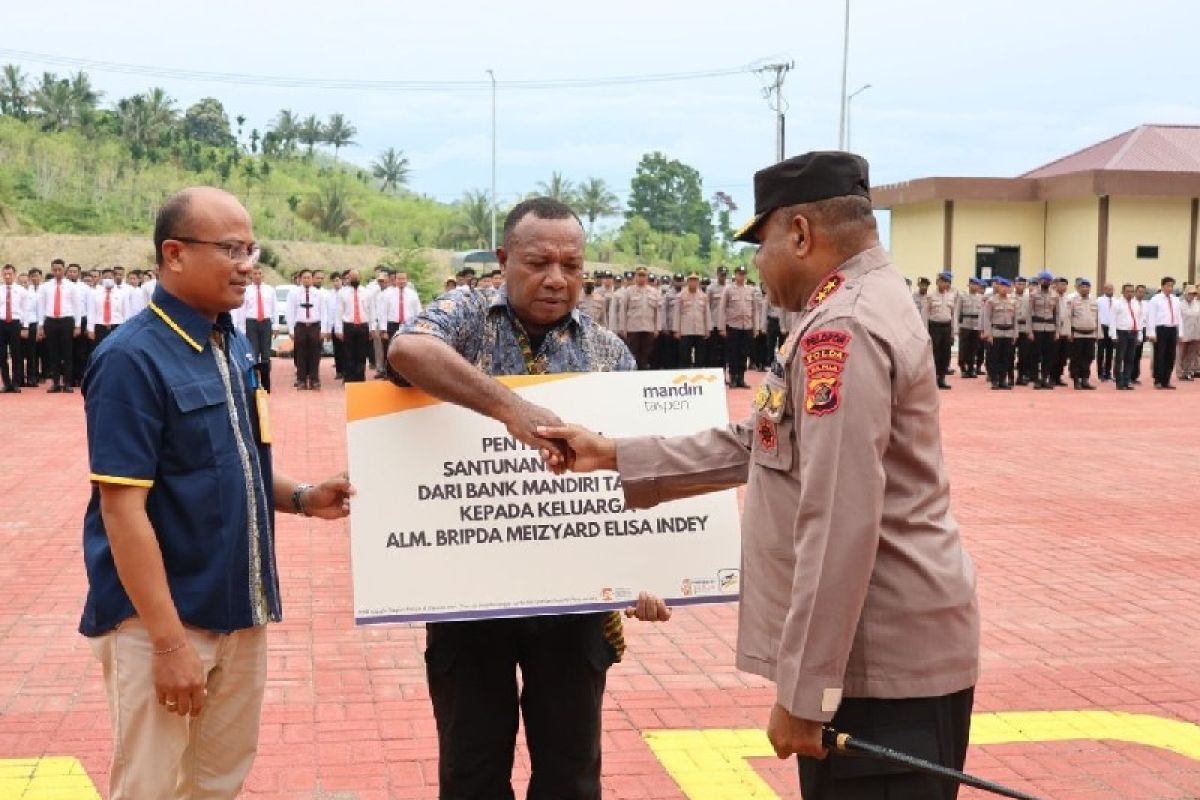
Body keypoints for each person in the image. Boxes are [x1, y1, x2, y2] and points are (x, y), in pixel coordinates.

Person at [540, 152, 979, 800]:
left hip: (876, 673)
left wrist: (807, 693)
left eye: (763, 241)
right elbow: (763, 443)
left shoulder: (844, 328)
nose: (756, 262)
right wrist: (611, 454)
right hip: (882, 659)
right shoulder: (857, 302)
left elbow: (839, 519)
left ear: (801, 234)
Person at [387, 197, 671, 800]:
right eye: (540, 262)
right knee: (471, 770)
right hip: (469, 592)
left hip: (572, 600)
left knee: (570, 771)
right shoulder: (466, 315)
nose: (557, 279)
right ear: (504, 260)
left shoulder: (606, 353)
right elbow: (407, 352)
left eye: (572, 264)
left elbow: (630, 468)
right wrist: (512, 409)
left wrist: (648, 572)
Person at [80, 187, 353, 800]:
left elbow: (237, 466)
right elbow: (122, 513)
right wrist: (169, 643)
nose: (248, 263)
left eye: (250, 247)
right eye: (231, 248)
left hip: (241, 612)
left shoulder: (230, 345)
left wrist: (305, 497)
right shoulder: (130, 359)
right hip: (166, 624)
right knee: (148, 786)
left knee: (215, 783)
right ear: (174, 254)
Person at [37, 258, 82, 393]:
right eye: (54, 270)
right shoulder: (45, 287)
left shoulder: (71, 286)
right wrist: (41, 325)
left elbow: (77, 306)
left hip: (66, 321)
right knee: (53, 353)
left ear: (64, 270)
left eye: (60, 270)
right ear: (52, 270)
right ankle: (55, 383)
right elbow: (41, 306)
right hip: (50, 321)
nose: (57, 272)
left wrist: (77, 325)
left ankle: (67, 382)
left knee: (67, 353)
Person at [288, 269, 331, 390]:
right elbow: (290, 312)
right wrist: (291, 330)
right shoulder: (294, 293)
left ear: (312, 279)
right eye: (304, 278)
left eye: (309, 277)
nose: (307, 280)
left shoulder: (319, 294)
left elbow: (324, 312)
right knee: (300, 353)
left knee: (315, 354)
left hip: (314, 326)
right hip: (300, 326)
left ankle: (314, 379)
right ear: (301, 279)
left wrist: (324, 329)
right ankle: (301, 380)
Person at [719, 265, 759, 388]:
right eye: (739, 274)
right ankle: (732, 378)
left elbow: (755, 310)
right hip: (733, 326)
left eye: (743, 274)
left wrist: (756, 327)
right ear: (735, 274)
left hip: (746, 326)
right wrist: (722, 327)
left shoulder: (751, 290)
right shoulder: (728, 289)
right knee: (732, 353)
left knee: (743, 353)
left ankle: (741, 378)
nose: (741, 276)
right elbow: (722, 308)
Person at [240, 267, 277, 392]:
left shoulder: (270, 290)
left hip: (266, 322)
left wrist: (275, 325)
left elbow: (274, 308)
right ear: (251, 275)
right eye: (255, 273)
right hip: (251, 322)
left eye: (259, 273)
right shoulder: (246, 290)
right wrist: (242, 328)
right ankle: (254, 384)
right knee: (253, 353)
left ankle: (266, 385)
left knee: (266, 354)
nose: (257, 276)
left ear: (263, 275)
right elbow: (242, 310)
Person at [334, 269, 374, 382]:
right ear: (348, 279)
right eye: (352, 277)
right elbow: (339, 312)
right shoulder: (342, 293)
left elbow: (372, 311)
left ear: (360, 278)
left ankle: (360, 378)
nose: (354, 279)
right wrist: (338, 329)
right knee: (348, 353)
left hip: (363, 326)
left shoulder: (367, 292)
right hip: (348, 326)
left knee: (361, 354)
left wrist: (372, 328)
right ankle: (349, 378)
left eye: (356, 277)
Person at [619, 266, 661, 369]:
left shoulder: (654, 292)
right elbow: (623, 310)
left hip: (648, 328)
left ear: (647, 277)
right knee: (633, 354)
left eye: (644, 275)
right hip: (633, 328)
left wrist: (657, 328)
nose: (641, 278)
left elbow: (657, 312)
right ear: (635, 277)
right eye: (639, 275)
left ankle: (642, 375)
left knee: (646, 354)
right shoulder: (628, 291)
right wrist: (622, 328)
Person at [980, 276, 1017, 389]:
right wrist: (988, 334)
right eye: (1002, 286)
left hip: (1008, 332)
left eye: (1007, 286)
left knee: (1007, 357)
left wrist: (1015, 334)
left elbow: (1015, 319)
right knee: (994, 357)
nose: (1004, 289)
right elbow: (987, 318)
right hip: (996, 332)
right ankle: (995, 380)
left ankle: (1003, 380)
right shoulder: (991, 301)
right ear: (998, 287)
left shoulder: (1012, 301)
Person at [1061, 278, 1099, 389]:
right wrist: (1068, 333)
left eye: (1087, 287)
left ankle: (1085, 380)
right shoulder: (1073, 300)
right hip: (1077, 334)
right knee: (1076, 358)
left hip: (1090, 334)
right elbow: (1068, 317)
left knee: (1088, 358)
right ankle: (1077, 380)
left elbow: (1097, 319)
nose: (1085, 289)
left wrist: (1098, 334)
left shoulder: (1093, 301)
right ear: (1078, 288)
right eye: (1083, 287)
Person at [1145, 276, 1181, 389]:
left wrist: (1180, 332)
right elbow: (1151, 317)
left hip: (1172, 328)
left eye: (1172, 286)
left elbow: (1179, 316)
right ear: (1162, 286)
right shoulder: (1155, 299)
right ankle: (1158, 380)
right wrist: (1152, 333)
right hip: (1160, 329)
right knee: (1160, 355)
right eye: (1168, 285)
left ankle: (1167, 380)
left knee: (1171, 356)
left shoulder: (1175, 299)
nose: (1170, 288)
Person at [923, 271, 956, 389]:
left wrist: (953, 331)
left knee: (946, 354)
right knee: (935, 354)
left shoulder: (951, 296)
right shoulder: (930, 296)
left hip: (946, 327)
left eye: (949, 282)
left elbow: (953, 315)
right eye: (945, 282)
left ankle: (942, 377)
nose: (947, 284)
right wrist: (925, 332)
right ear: (938, 282)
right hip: (934, 327)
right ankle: (933, 378)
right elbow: (925, 315)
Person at [1028, 271, 1060, 389]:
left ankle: (1044, 378)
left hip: (1050, 328)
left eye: (1047, 280)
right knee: (1035, 355)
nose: (1045, 282)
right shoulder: (1033, 294)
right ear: (1039, 281)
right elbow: (1029, 313)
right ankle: (1036, 379)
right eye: (1043, 280)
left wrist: (1057, 331)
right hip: (1037, 328)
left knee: (1048, 356)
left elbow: (1057, 314)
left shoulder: (1055, 295)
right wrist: (1029, 331)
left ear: (1050, 282)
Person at [673, 272, 710, 368]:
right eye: (691, 280)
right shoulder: (681, 296)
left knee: (700, 357)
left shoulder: (703, 296)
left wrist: (708, 329)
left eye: (695, 280)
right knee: (684, 357)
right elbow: (677, 313)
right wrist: (676, 330)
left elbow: (707, 314)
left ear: (698, 282)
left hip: (700, 330)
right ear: (687, 281)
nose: (693, 282)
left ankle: (698, 377)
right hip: (685, 331)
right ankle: (684, 377)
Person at [0, 264, 28, 392]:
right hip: (1, 323)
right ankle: (6, 383)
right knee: (2, 355)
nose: (7, 276)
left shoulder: (21, 291)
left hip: (15, 323)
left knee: (17, 354)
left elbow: (25, 309)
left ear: (14, 274)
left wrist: (25, 327)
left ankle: (16, 383)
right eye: (5, 274)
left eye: (10, 274)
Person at [1111, 283, 1142, 390]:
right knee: (1120, 358)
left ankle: (1127, 379)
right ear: (1123, 292)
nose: (1130, 293)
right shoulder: (1117, 303)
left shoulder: (1136, 304)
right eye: (1128, 291)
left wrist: (1139, 334)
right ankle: (1119, 381)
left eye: (1131, 291)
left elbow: (1139, 319)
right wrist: (1113, 334)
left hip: (1133, 332)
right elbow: (1112, 320)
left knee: (1130, 358)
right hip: (1122, 332)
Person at [88, 269, 128, 349]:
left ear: (114, 278)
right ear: (101, 279)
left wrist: (126, 330)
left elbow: (126, 313)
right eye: (105, 277)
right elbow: (91, 312)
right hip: (100, 326)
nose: (108, 280)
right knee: (100, 350)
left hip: (117, 326)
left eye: (110, 277)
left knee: (116, 350)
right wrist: (90, 329)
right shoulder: (95, 294)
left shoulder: (122, 294)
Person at [954, 277, 984, 378]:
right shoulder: (962, 296)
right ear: (969, 285)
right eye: (973, 284)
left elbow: (982, 314)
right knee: (964, 347)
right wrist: (956, 326)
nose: (975, 286)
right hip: (965, 324)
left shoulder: (980, 297)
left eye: (976, 284)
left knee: (974, 347)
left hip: (976, 325)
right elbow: (957, 311)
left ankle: (971, 368)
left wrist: (981, 327)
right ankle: (963, 367)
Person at [1177, 284, 1200, 381]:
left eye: (1194, 293)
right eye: (1190, 293)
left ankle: (1189, 371)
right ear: (1185, 293)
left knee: (1192, 353)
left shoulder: (1197, 303)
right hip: (1183, 331)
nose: (1192, 295)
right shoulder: (1180, 304)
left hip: (1195, 332)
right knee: (1181, 354)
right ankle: (1180, 372)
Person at [1096, 282, 1116, 381]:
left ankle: (1108, 372)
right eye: (1108, 289)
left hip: (1112, 328)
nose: (1110, 291)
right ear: (1104, 290)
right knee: (1100, 352)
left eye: (1111, 289)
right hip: (1102, 327)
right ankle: (1100, 373)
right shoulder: (1099, 300)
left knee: (1110, 352)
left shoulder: (1116, 301)